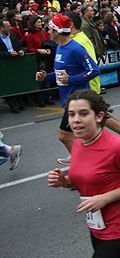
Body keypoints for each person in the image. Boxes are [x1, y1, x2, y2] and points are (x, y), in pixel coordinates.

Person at [47, 90, 120, 258]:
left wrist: (105, 198)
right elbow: (89, 178)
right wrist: (65, 182)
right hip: (97, 226)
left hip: (119, 228)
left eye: (83, 114)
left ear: (99, 116)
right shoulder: (79, 144)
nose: (76, 120)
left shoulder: (117, 147)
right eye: (71, 115)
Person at [35, 14, 101, 165]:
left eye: (50, 29)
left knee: (64, 136)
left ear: (57, 31)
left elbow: (94, 70)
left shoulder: (75, 48)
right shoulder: (59, 47)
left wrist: (71, 80)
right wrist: (46, 77)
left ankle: (83, 165)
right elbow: (62, 75)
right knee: (81, 137)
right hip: (68, 99)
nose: (48, 31)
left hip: (77, 99)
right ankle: (85, 162)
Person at [1, 18, 26, 113]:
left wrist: (21, 51)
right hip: (4, 64)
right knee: (8, 85)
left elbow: (19, 45)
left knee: (17, 83)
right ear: (1, 28)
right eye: (7, 26)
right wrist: (8, 54)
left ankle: (20, 103)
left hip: (15, 63)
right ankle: (13, 105)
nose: (10, 28)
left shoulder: (12, 36)